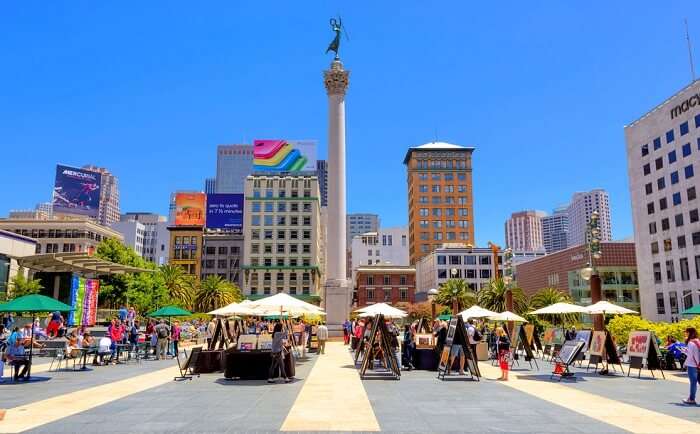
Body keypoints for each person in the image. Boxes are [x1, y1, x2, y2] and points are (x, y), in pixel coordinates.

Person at [682, 327, 700, 405]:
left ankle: (691, 399)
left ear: (689, 333)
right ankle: (691, 398)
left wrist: (685, 363)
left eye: (686, 332)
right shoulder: (697, 341)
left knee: (693, 383)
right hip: (698, 364)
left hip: (692, 365)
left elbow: (690, 355)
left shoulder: (691, 343)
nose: (685, 333)